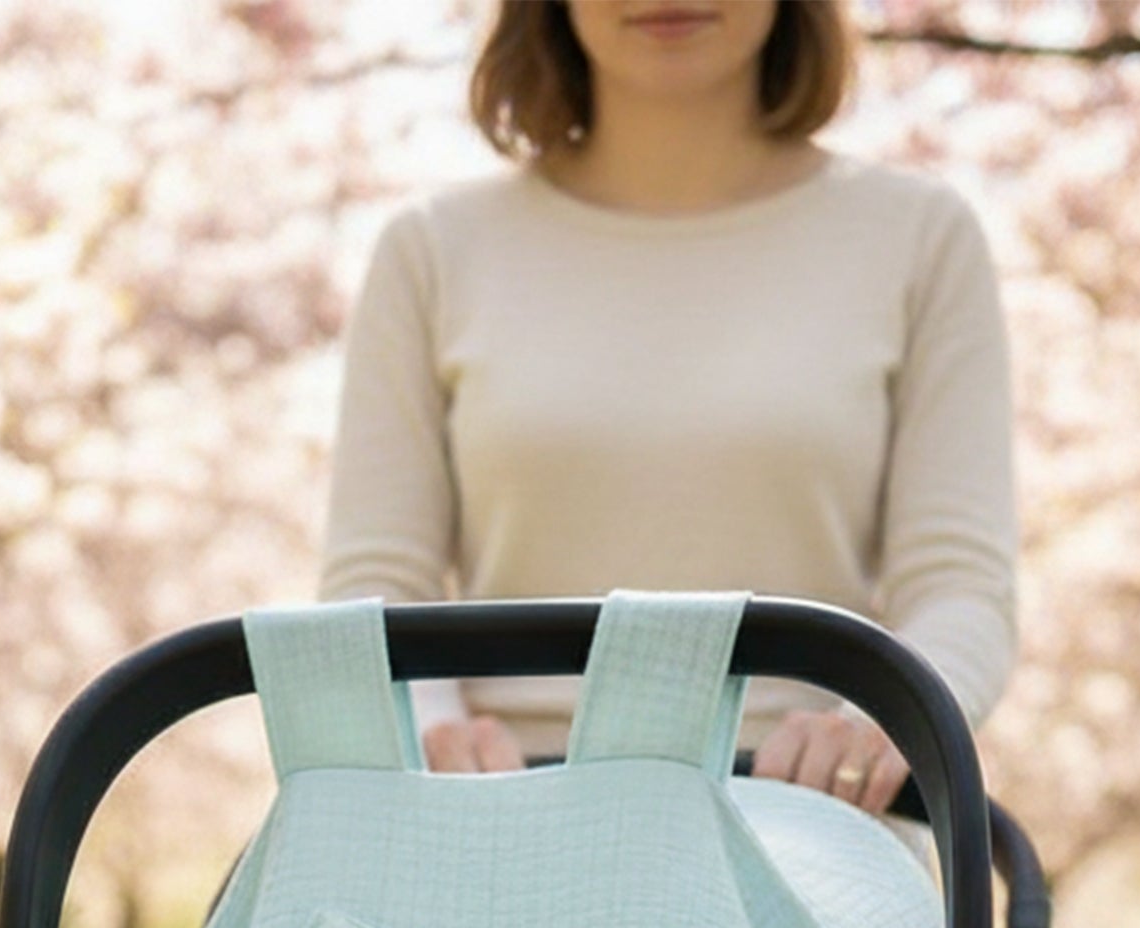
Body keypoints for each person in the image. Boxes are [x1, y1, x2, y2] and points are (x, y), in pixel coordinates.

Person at [318, 0, 1017, 818]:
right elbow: (375, 586)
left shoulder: (920, 239)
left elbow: (960, 587)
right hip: (494, 816)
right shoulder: (432, 250)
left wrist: (876, 727)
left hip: (809, 816)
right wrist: (431, 733)